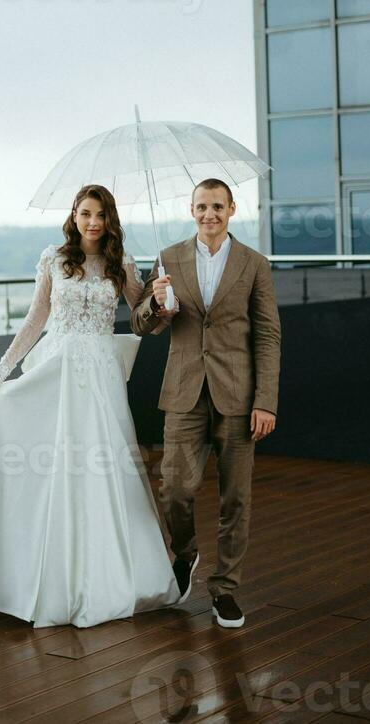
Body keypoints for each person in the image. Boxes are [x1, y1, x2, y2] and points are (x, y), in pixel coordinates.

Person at [0, 184, 182, 627]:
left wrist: (162, 300)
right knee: (55, 466)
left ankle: (111, 575)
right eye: (86, 213)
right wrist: (0, 373)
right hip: (57, 368)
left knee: (102, 466)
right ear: (74, 215)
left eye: (101, 215)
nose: (93, 222)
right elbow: (36, 319)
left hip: (100, 377)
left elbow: (141, 317)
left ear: (110, 221)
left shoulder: (121, 264)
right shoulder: (54, 259)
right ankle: (39, 568)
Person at [131, 178, 281, 630]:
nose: (208, 214)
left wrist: (266, 401)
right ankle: (185, 553)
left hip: (239, 396)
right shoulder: (168, 258)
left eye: (217, 206)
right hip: (184, 392)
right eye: (201, 206)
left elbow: (268, 335)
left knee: (235, 497)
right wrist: (157, 307)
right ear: (190, 209)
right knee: (175, 487)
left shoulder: (254, 264)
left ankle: (225, 590)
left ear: (232, 209)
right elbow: (141, 326)